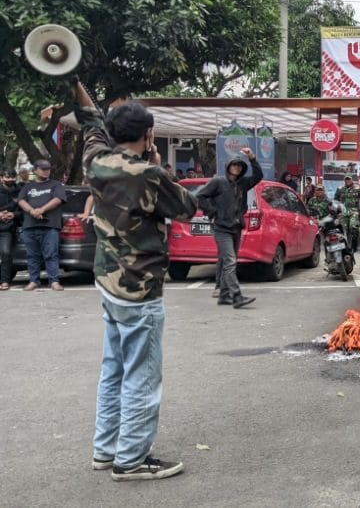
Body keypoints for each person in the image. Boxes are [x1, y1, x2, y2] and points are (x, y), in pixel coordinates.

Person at [77, 93, 197, 481]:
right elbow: (186, 207)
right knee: (142, 376)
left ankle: (105, 450)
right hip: (139, 288)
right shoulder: (147, 174)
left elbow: (90, 122)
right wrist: (158, 166)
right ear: (149, 135)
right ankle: (129, 460)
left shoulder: (95, 161)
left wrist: (75, 82)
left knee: (113, 369)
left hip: (107, 282)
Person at [197, 148, 262, 309]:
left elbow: (258, 176)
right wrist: (213, 212)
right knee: (230, 261)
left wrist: (252, 158)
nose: (237, 167)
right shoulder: (218, 182)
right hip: (221, 228)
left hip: (236, 227)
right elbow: (200, 196)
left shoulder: (243, 183)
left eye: (239, 165)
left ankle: (224, 295)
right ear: (228, 166)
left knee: (228, 261)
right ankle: (237, 296)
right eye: (233, 165)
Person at [17, 160, 66, 291]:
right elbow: (21, 201)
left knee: (51, 254)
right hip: (30, 226)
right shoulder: (28, 186)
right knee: (32, 255)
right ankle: (33, 281)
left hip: (50, 226)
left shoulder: (56, 185)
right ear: (35, 170)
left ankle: (54, 281)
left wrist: (42, 209)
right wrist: (32, 211)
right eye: (43, 168)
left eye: (48, 168)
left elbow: (57, 199)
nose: (46, 171)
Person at [0, 168, 21, 291]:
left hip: (7, 229)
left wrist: (13, 215)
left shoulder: (19, 192)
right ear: (1, 178)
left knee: (6, 253)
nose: (11, 180)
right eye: (8, 177)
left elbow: (23, 210)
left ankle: (4, 281)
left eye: (13, 177)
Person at [334, 175, 360, 253]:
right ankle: (343, 246)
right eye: (346, 179)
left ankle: (354, 247)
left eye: (349, 179)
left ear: (352, 180)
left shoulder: (358, 188)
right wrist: (337, 212)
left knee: (353, 227)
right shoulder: (340, 189)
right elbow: (335, 200)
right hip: (343, 211)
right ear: (344, 180)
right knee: (343, 229)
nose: (347, 181)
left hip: (354, 210)